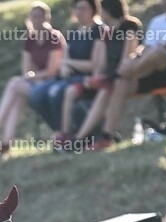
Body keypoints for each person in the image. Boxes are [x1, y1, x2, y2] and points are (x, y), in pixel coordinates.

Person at [96, 0, 166, 147]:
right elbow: (145, 48)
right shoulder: (156, 22)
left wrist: (131, 65)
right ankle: (107, 135)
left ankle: (127, 72)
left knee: (159, 53)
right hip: (154, 70)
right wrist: (132, 59)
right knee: (121, 83)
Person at [0, 2, 65, 154]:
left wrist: (35, 76)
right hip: (36, 84)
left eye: (39, 17)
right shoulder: (30, 39)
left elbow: (52, 70)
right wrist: (34, 76)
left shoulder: (54, 37)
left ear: (46, 18)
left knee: (14, 85)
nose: (36, 20)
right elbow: (26, 68)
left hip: (52, 85)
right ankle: (6, 142)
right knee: (17, 94)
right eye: (33, 17)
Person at [54, 0, 141, 151]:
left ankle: (85, 138)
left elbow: (127, 58)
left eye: (102, 10)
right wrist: (95, 78)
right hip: (110, 77)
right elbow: (102, 64)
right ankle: (78, 138)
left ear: (108, 11)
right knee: (101, 91)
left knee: (105, 92)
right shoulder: (107, 32)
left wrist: (103, 78)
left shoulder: (129, 27)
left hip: (125, 76)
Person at [28, 0, 102, 133]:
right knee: (37, 95)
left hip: (86, 78)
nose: (79, 12)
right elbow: (64, 58)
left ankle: (66, 133)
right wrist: (64, 66)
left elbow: (94, 64)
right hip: (68, 77)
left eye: (83, 9)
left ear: (93, 10)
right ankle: (58, 131)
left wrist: (68, 63)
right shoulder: (74, 32)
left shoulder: (99, 31)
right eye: (77, 9)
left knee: (55, 93)